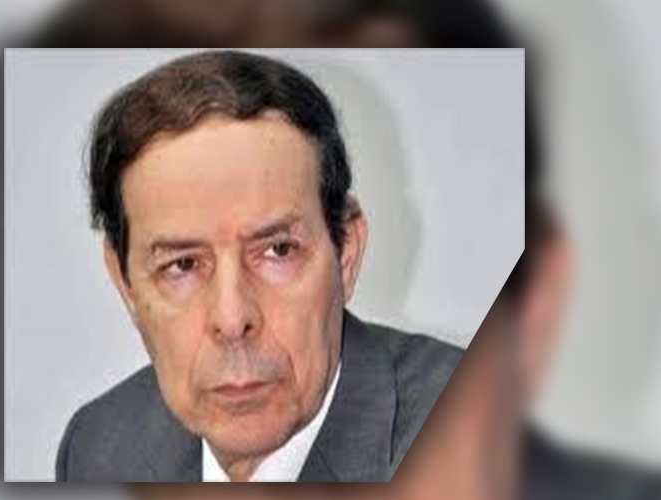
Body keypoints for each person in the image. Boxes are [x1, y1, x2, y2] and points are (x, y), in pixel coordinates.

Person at [55, 50, 463, 482]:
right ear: (125, 284)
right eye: (183, 264)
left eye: (278, 251)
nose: (233, 320)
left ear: (345, 253)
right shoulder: (98, 446)